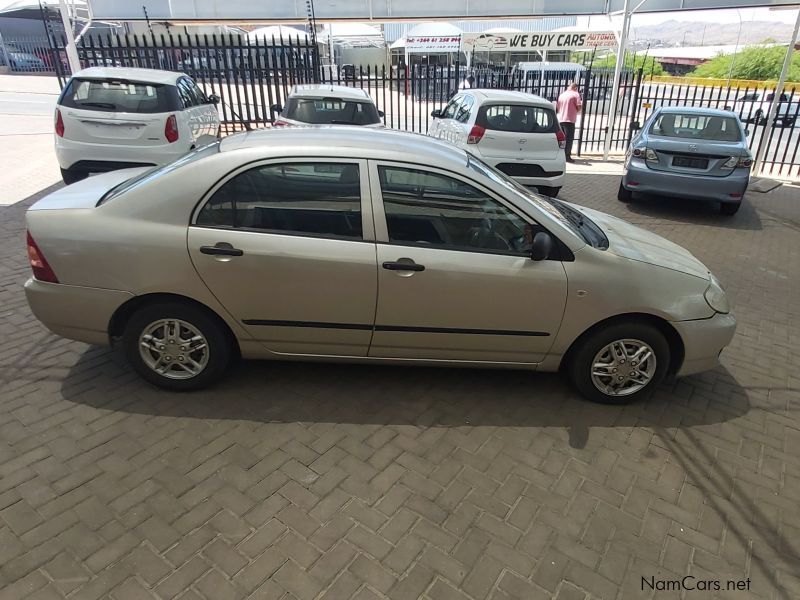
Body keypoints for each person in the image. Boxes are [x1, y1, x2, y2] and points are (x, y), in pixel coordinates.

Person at [556, 82, 582, 162]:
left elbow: (558, 107)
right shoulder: (575, 94)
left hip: (561, 119)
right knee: (569, 139)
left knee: (562, 139)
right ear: (575, 88)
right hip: (570, 120)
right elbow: (579, 106)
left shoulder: (562, 95)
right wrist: (576, 111)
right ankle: (567, 156)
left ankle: (559, 154)